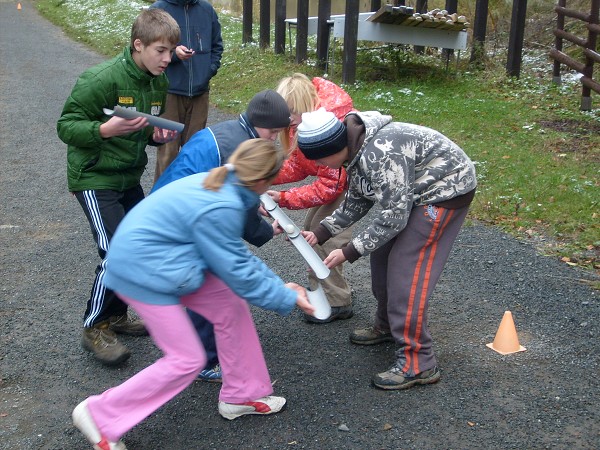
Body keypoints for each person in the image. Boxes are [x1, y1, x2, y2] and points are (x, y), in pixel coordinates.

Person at [71, 139, 314, 449]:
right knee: (187, 359)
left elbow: (236, 258)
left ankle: (242, 394)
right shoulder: (222, 204)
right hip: (141, 270)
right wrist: (286, 298)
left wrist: (281, 288)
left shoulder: (229, 182)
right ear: (265, 180)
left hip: (173, 260)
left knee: (229, 305)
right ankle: (99, 415)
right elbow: (237, 270)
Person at [297, 108, 477, 391]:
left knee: (407, 270)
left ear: (333, 146)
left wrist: (348, 250)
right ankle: (387, 326)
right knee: (381, 256)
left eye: (319, 157)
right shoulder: (354, 153)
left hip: (444, 192)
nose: (319, 164)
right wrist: (319, 233)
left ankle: (419, 360)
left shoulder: (378, 153)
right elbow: (358, 199)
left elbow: (394, 216)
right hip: (413, 194)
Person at [56, 9, 182, 367]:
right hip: (95, 177)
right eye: (160, 50)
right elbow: (66, 126)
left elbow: (141, 128)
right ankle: (94, 327)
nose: (167, 59)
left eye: (171, 51)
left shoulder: (158, 80)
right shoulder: (100, 78)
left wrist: (156, 136)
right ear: (137, 44)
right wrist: (102, 131)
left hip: (128, 176)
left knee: (139, 246)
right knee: (116, 251)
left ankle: (117, 316)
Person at [152, 89, 291, 382]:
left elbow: (235, 195)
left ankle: (189, 339)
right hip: (181, 222)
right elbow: (236, 210)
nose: (274, 139)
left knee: (208, 283)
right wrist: (266, 231)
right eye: (273, 132)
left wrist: (259, 210)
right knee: (211, 279)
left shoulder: (232, 130)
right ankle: (203, 358)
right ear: (259, 122)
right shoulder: (240, 145)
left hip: (171, 207)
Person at [267, 73, 355, 324]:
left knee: (329, 239)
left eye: (292, 113)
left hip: (346, 186)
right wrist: (265, 175)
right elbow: (298, 165)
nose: (289, 120)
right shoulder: (303, 124)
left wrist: (284, 198)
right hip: (337, 185)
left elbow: (329, 186)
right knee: (311, 233)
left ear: (305, 106)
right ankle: (328, 291)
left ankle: (338, 301)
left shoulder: (328, 125)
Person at [150, 0, 223, 183]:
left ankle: (190, 201)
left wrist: (208, 71)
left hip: (200, 93)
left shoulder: (206, 10)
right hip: (169, 92)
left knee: (196, 153)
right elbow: (149, 51)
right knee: (168, 153)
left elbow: (217, 46)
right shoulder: (159, 10)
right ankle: (163, 203)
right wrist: (174, 55)